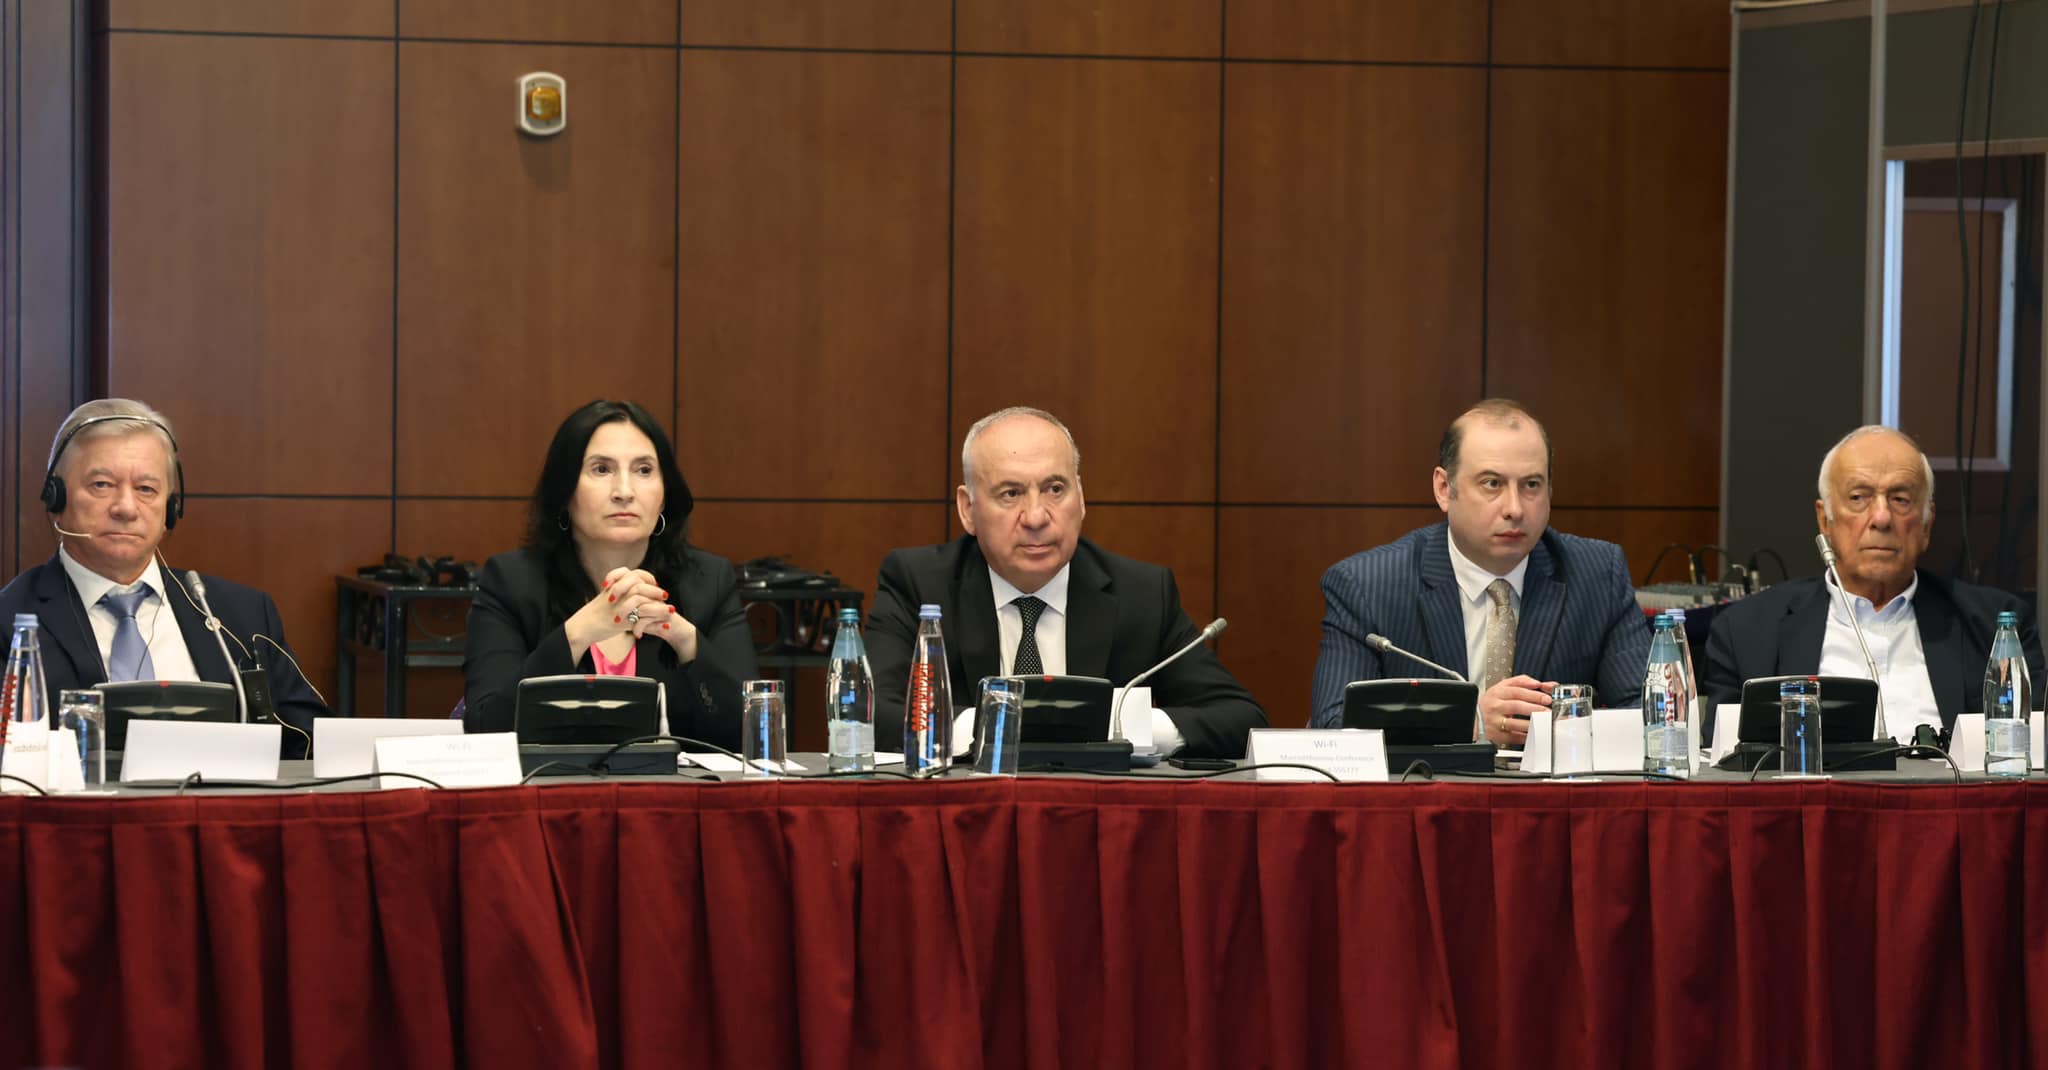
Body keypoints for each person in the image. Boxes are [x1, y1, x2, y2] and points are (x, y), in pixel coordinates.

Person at [866, 407, 1266, 759]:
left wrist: (1119, 727)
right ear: (968, 509)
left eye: (1054, 489)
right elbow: (870, 716)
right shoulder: (920, 584)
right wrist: (1005, 724)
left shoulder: (1142, 593)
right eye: (1011, 493)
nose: (1036, 517)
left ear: (1081, 498)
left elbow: (1239, 719)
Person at [1310, 399, 1650, 744]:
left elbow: (1649, 716)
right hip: (1427, 780)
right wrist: (1468, 723)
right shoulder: (1367, 585)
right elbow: (1334, 729)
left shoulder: (1596, 575)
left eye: (1531, 485)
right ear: (1444, 489)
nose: (1514, 508)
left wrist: (1560, 729)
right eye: (1492, 484)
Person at [0, 399, 327, 757]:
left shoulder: (243, 616)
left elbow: (308, 746)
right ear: (56, 498)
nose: (126, 508)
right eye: (102, 485)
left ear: (171, 508)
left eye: (146, 489)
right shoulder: (9, 620)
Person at [1702, 425, 2043, 740]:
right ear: (1825, 520)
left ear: (1926, 524)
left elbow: (2026, 754)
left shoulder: (1995, 628)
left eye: (1900, 499)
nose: (1881, 518)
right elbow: (1723, 769)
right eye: (1858, 497)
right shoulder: (1746, 632)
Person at [463, 399, 757, 748]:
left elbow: (754, 736)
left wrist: (684, 639)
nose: (624, 492)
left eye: (644, 470)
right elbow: (484, 729)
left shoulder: (708, 582)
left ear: (664, 495)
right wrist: (579, 633)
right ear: (565, 490)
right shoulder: (512, 582)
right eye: (601, 469)